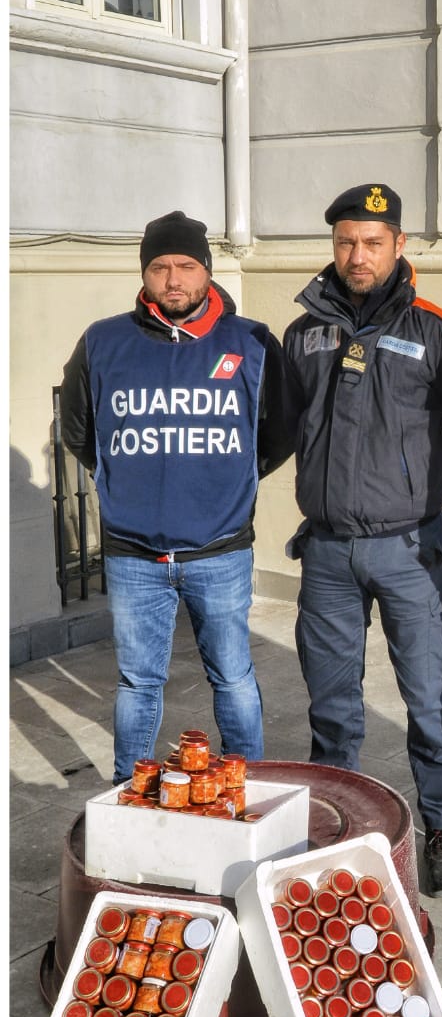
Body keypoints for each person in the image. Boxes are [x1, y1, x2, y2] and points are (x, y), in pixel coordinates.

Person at [282, 184, 442, 898]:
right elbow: (285, 425)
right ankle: (336, 822)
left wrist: (424, 493)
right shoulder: (305, 330)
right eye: (346, 242)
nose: (357, 256)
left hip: (408, 553)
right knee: (332, 705)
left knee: (428, 698)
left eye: (372, 242)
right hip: (327, 552)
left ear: (399, 245)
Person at [60, 210, 292, 784]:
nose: (173, 280)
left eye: (186, 266)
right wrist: (126, 482)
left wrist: (223, 481)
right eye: (160, 267)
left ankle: (249, 784)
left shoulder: (254, 342)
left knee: (233, 676)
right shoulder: (102, 341)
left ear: (207, 271)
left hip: (220, 550)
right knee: (138, 682)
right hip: (134, 554)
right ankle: (126, 791)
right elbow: (78, 431)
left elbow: (280, 431)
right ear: (145, 274)